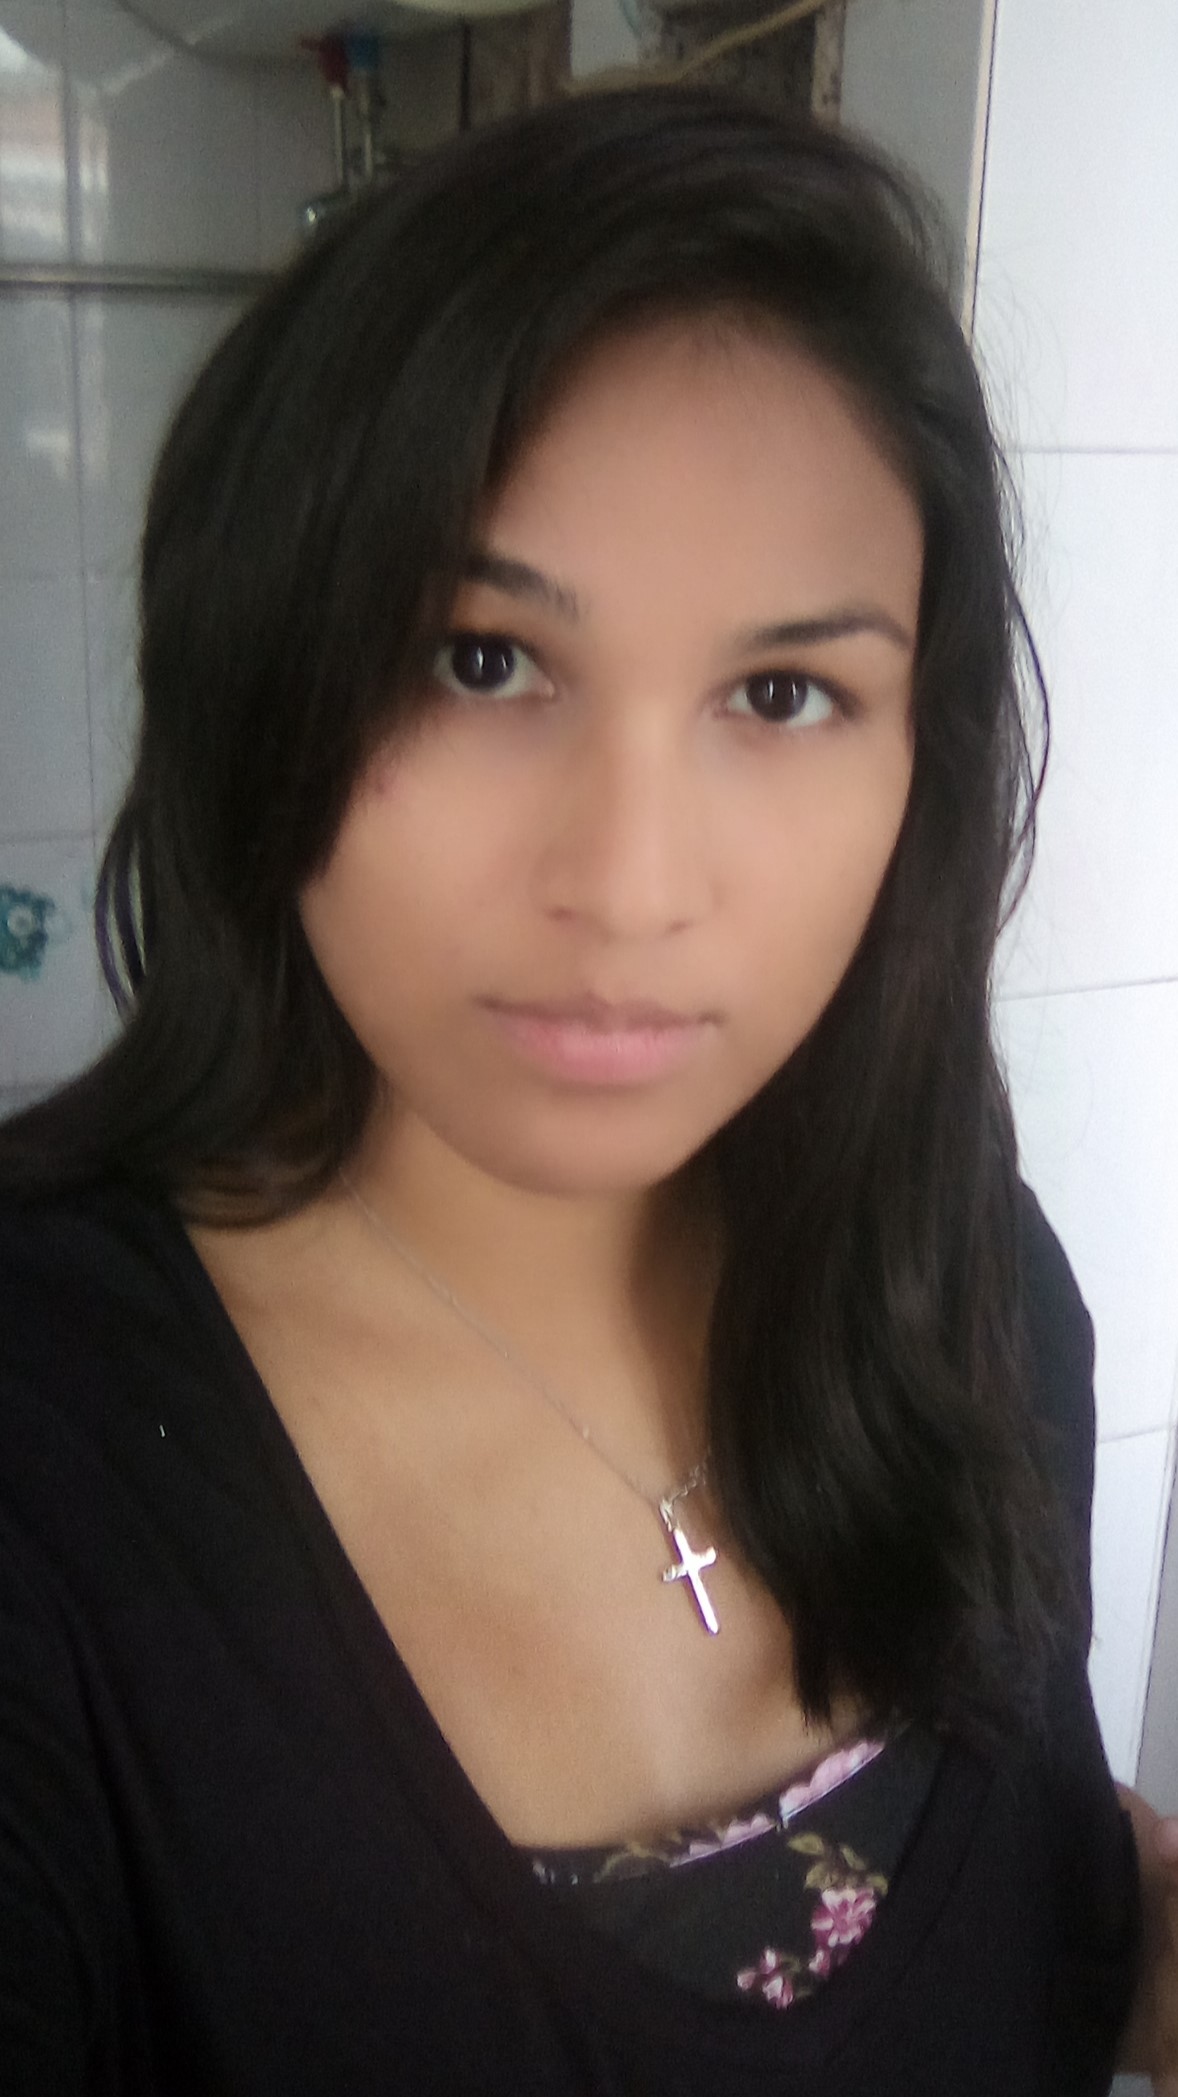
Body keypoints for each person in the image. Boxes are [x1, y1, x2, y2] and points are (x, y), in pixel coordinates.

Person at [0, 82, 1173, 2095]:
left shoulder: (963, 1283)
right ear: (258, 666)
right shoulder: (48, 1456)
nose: (628, 888)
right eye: (480, 659)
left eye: (783, 693)